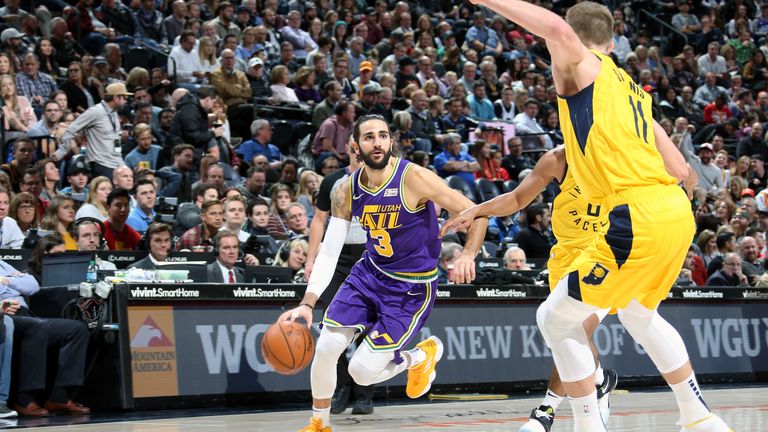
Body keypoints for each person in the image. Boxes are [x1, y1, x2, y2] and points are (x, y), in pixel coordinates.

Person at [474, 1, 731, 431]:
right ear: (612, 43)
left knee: (554, 319)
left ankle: (588, 426)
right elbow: (683, 171)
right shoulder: (631, 89)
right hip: (673, 211)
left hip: (635, 212)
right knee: (639, 314)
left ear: (580, 43)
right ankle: (698, 416)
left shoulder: (582, 66)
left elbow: (555, 28)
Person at [281, 114, 488, 432]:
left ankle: (419, 356)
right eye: (368, 137)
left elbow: (478, 213)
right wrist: (307, 303)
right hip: (369, 274)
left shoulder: (414, 177)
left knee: (361, 371)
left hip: (411, 287)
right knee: (326, 347)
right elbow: (329, 250)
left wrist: (468, 254)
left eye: (382, 136)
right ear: (354, 145)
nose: (376, 142)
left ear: (391, 141)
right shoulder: (344, 190)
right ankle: (319, 423)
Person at [55, 83, 131, 179]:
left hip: (117, 163)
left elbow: (107, 136)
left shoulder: (114, 113)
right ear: (116, 98)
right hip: (101, 164)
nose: (126, 100)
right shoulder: (95, 112)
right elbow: (71, 129)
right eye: (124, 97)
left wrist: (120, 137)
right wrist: (63, 149)